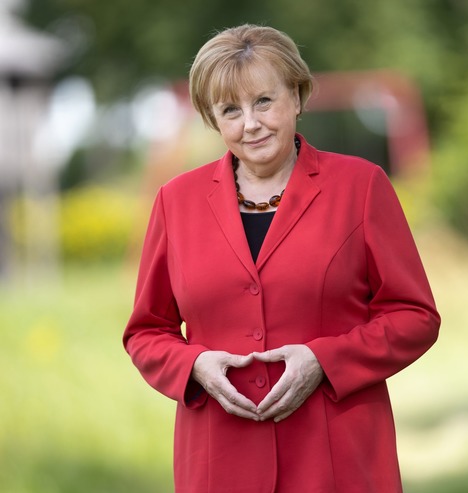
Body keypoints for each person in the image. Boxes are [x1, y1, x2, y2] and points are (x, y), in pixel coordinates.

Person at [123, 24, 440, 493]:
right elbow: (147, 331)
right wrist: (193, 366)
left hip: (339, 459)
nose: (250, 123)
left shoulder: (361, 187)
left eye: (263, 102)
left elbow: (415, 316)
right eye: (231, 110)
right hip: (218, 462)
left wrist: (324, 360)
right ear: (213, 119)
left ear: (296, 94)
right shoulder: (175, 202)